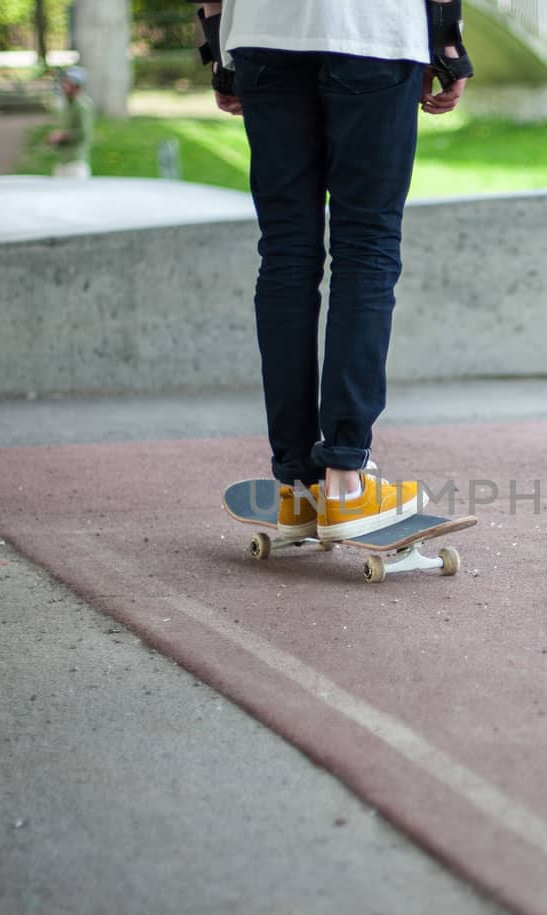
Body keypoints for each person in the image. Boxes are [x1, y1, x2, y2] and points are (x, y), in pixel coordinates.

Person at [194, 0, 472, 540]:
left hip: (264, 35)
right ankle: (345, 478)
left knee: (284, 253)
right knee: (365, 248)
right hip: (374, 33)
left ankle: (297, 487)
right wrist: (448, 43)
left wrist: (218, 48)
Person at [45, 66, 94, 179]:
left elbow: (84, 134)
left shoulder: (83, 106)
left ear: (77, 86)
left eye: (68, 83)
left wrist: (62, 136)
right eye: (65, 82)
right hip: (63, 160)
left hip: (76, 162)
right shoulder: (66, 104)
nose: (64, 86)